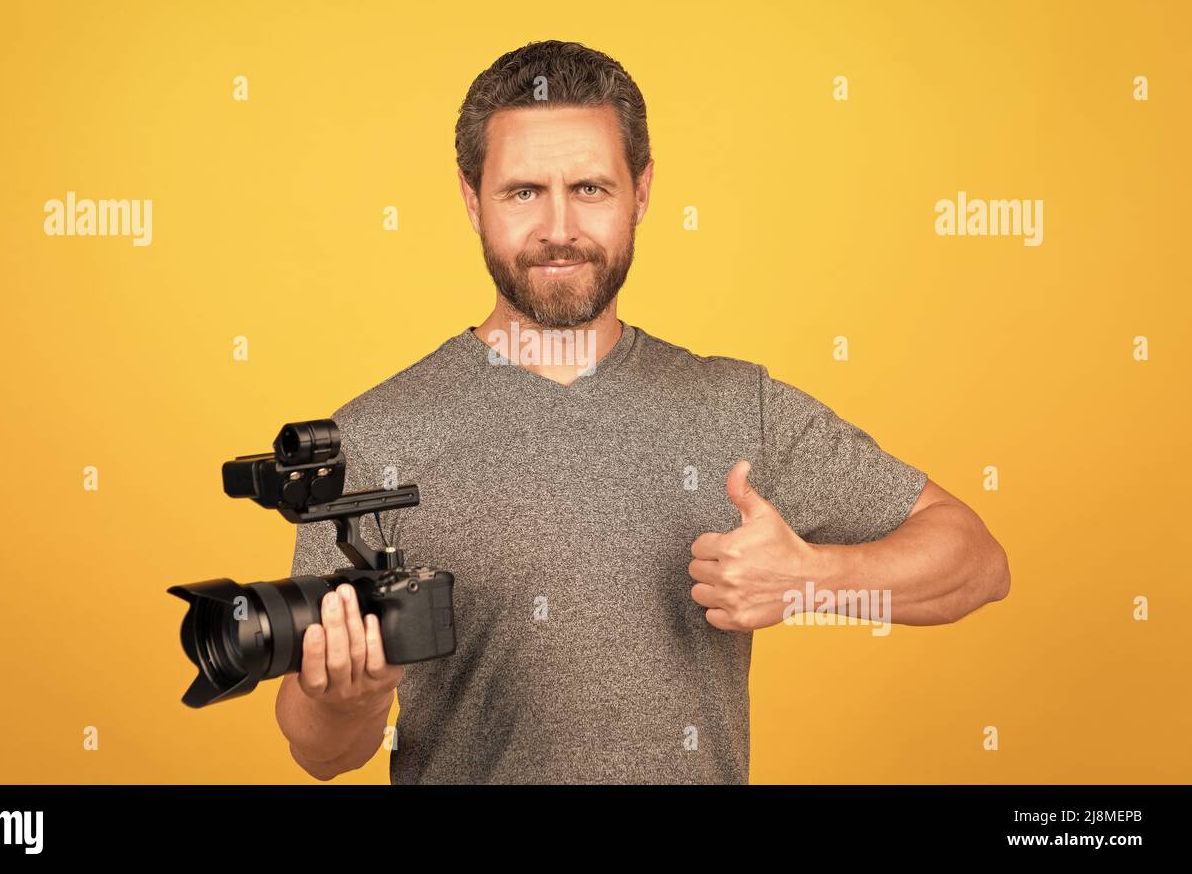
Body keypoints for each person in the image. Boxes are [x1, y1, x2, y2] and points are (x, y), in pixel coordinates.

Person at [273, 40, 1011, 784]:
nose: (559, 228)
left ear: (643, 191)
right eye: (523, 192)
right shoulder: (374, 438)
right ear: (472, 199)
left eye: (590, 189)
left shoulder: (737, 409)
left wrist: (812, 579)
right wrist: (349, 701)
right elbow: (320, 754)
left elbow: (976, 563)